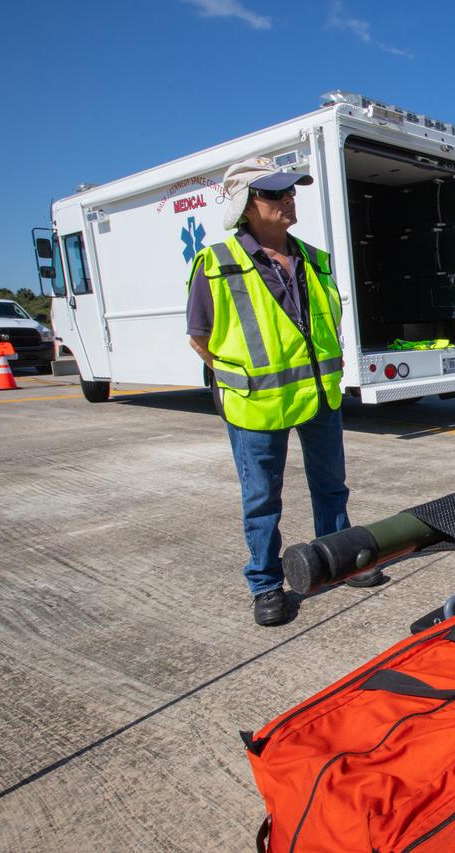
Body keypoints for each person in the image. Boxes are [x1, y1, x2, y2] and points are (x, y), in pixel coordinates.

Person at [186, 157, 381, 627]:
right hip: (256, 404)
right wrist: (244, 376)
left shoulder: (314, 259)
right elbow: (200, 337)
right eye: (275, 193)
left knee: (332, 487)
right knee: (261, 501)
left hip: (319, 397)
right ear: (247, 205)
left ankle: (335, 559)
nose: (288, 199)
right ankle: (266, 584)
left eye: (291, 191)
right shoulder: (217, 264)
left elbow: (325, 325)